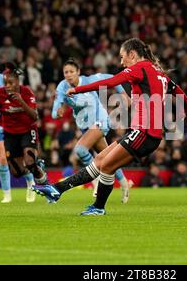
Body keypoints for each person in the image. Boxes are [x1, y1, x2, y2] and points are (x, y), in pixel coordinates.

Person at [33, 37, 187, 215]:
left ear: (132, 55)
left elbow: (109, 83)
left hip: (144, 133)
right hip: (144, 133)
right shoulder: (158, 72)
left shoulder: (139, 68)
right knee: (100, 160)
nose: (121, 61)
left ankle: (98, 207)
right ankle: (57, 189)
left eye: (122, 56)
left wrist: (77, 89)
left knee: (107, 166)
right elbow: (177, 89)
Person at [52, 58, 130, 203]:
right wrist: (58, 112)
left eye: (71, 71)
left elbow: (113, 79)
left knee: (80, 150)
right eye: (66, 72)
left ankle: (96, 180)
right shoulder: (62, 87)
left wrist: (123, 94)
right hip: (85, 127)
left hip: (100, 121)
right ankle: (125, 184)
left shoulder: (89, 80)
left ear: (78, 72)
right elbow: (54, 112)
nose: (68, 75)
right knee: (108, 158)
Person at [0, 63, 47, 201]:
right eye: (5, 83)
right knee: (16, 172)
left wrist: (21, 101)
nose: (7, 86)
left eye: (11, 83)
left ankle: (42, 182)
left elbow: (35, 116)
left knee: (29, 160)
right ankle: (36, 166)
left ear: (18, 82)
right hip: (9, 133)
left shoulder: (26, 92)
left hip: (28, 130)